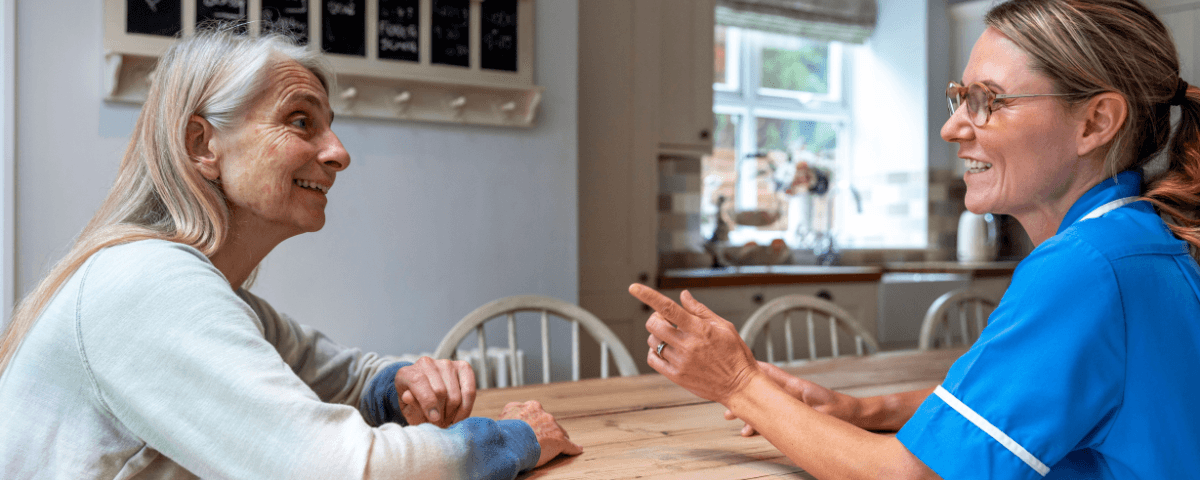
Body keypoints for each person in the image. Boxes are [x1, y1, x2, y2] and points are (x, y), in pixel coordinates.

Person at [630, 0, 1200, 478]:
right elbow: (1002, 407)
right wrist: (863, 408)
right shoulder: (1142, 244)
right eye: (961, 97)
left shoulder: (1084, 269)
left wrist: (737, 382)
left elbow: (907, 475)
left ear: (1096, 122)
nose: (953, 127)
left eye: (988, 100)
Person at [0, 26, 580, 479]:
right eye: (301, 121)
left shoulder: (212, 293)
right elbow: (331, 468)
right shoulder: (146, 283)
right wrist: (515, 440)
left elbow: (344, 377)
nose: (339, 153)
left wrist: (400, 384)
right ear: (202, 144)